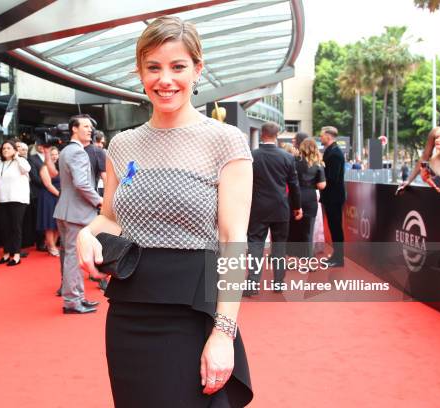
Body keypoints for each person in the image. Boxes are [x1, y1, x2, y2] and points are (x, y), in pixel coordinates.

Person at [77, 16, 253, 407]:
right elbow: (112, 216)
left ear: (197, 69)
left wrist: (224, 333)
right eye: (153, 67)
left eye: (178, 67)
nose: (165, 79)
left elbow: (232, 240)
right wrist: (86, 233)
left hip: (192, 313)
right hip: (129, 310)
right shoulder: (122, 145)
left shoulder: (225, 141)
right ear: (139, 72)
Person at [54, 114, 103, 314]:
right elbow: (82, 183)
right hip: (77, 213)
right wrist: (99, 200)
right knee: (73, 258)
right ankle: (73, 301)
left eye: (91, 127)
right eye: (85, 126)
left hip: (66, 211)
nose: (90, 130)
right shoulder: (78, 153)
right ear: (74, 129)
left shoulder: (66, 151)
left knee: (69, 257)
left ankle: (76, 297)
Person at [247, 121, 302, 293]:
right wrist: (297, 207)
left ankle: (253, 284)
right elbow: (294, 186)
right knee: (279, 246)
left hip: (257, 209)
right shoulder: (287, 157)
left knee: (255, 245)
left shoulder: (251, 155)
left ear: (262, 134)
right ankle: (278, 283)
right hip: (280, 208)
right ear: (276, 135)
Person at [0, 140, 31, 266]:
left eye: (9, 148)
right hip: (1, 199)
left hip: (17, 198)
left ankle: (16, 254)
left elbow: (27, 169)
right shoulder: (0, 164)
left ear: (15, 150)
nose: (5, 150)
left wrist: (17, 157)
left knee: (15, 227)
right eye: (4, 148)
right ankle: (6, 252)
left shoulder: (21, 161)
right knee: (4, 227)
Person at [288, 138, 326, 259]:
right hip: (310, 197)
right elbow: (321, 185)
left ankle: (292, 259)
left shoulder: (293, 161)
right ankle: (308, 259)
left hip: (294, 196)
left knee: (292, 228)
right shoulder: (318, 164)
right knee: (308, 229)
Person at [319, 126, 346, 267]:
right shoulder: (331, 151)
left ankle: (339, 258)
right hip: (331, 196)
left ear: (329, 136)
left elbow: (332, 177)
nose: (320, 137)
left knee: (336, 228)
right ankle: (336, 256)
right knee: (333, 227)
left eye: (322, 135)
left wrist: (317, 177)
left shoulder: (335, 153)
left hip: (334, 197)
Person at [37, 146, 60, 256]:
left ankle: (53, 245)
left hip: (59, 197)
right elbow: (48, 184)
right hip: (48, 197)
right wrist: (60, 195)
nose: (54, 156)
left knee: (58, 223)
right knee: (49, 223)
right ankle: (51, 246)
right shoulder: (44, 167)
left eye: (56, 154)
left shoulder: (60, 167)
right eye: (52, 155)